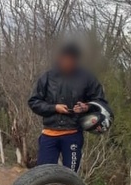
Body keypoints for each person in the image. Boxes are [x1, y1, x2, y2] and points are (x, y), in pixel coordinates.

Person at [28, 43, 112, 172]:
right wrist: (54, 108)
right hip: (49, 134)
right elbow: (34, 102)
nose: (68, 62)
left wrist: (86, 107)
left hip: (73, 134)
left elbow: (101, 102)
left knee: (71, 175)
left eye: (72, 59)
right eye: (65, 59)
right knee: (42, 174)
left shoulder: (87, 78)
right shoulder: (47, 77)